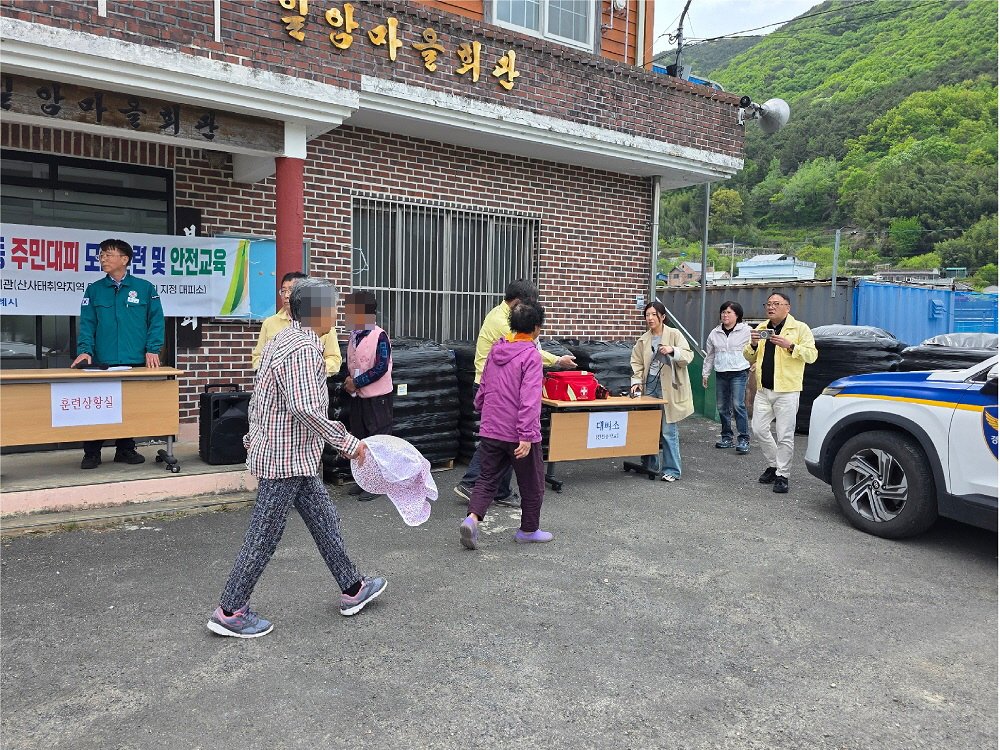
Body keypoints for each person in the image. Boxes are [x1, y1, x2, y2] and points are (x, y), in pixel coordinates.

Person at [207, 277, 386, 638]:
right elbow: (305, 408)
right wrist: (348, 443)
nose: (337, 314)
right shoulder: (303, 350)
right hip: (284, 459)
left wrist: (254, 437)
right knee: (264, 535)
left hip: (295, 456)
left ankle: (353, 587)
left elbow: (261, 398)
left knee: (325, 521)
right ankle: (230, 610)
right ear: (318, 312)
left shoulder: (284, 339)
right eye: (332, 307)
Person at [453, 279, 575, 507]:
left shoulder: (500, 314)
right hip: (495, 387)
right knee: (503, 439)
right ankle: (473, 484)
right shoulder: (505, 323)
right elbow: (526, 352)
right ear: (519, 302)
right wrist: (557, 360)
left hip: (493, 386)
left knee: (499, 439)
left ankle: (495, 494)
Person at [460, 300, 553, 550]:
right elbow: (529, 399)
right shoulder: (531, 356)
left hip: (492, 427)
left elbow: (484, 385)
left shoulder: (496, 350)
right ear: (536, 328)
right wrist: (526, 435)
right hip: (517, 433)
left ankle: (472, 519)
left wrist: (480, 407)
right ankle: (528, 530)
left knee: (487, 478)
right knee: (532, 483)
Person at [72, 238, 165, 470]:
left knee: (128, 407)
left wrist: (152, 349)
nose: (103, 258)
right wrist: (85, 351)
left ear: (124, 259)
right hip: (102, 361)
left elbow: (156, 321)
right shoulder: (94, 290)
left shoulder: (144, 288)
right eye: (101, 255)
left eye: (108, 254)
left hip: (133, 359)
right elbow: (87, 324)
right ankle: (92, 453)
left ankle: (125, 449)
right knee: (97, 407)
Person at [743, 291, 818, 494]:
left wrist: (790, 346)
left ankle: (782, 475)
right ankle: (774, 464)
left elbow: (812, 355)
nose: (771, 307)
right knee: (758, 429)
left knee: (785, 434)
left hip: (787, 391)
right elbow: (749, 357)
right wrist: (753, 344)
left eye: (776, 303)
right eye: (768, 304)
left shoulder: (800, 328)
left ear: (787, 307)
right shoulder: (762, 328)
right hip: (763, 389)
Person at [629, 301, 693, 482]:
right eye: (647, 315)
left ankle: (672, 470)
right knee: (648, 427)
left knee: (668, 429)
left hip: (668, 387)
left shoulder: (674, 334)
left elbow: (688, 356)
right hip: (650, 386)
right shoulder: (643, 339)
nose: (650, 318)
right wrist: (636, 382)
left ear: (663, 317)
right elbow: (637, 363)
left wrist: (673, 350)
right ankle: (650, 465)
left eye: (654, 315)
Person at [343, 290, 393, 502]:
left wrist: (357, 382)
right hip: (358, 397)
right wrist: (349, 381)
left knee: (377, 439)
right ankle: (364, 480)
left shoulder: (379, 336)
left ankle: (377, 484)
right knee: (360, 437)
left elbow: (381, 367)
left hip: (377, 398)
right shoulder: (354, 336)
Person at [251, 271, 342, 376]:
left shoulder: (324, 324)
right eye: (283, 291)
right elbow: (258, 356)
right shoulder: (269, 323)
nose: (286, 295)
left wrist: (312, 370)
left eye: (291, 290)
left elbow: (334, 358)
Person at [702, 301, 752, 454]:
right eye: (723, 312)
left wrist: (756, 363)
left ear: (737, 315)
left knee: (738, 405)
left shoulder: (747, 331)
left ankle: (743, 438)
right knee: (722, 407)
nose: (725, 315)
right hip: (721, 372)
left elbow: (757, 349)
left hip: (739, 372)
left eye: (729, 312)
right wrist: (705, 373)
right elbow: (710, 355)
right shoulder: (714, 333)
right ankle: (727, 437)